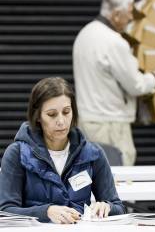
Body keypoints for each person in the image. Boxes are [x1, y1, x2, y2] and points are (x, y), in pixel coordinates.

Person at [0, 77, 125, 223]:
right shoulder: (16, 154)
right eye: (52, 115)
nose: (61, 121)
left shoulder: (93, 153)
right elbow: (5, 211)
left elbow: (119, 207)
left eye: (66, 112)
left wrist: (107, 207)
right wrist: (46, 212)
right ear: (38, 116)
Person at [73, 0, 155, 166]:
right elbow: (136, 85)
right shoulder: (114, 42)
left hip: (87, 121)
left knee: (91, 176)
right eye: (129, 12)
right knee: (117, 179)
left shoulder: (84, 34)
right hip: (110, 125)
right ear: (116, 14)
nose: (132, 18)